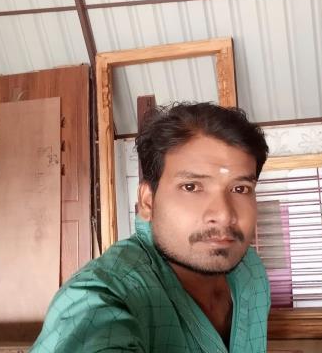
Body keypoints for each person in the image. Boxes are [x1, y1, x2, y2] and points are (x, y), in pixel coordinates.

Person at [31, 102, 270, 352]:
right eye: (191, 187)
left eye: (240, 188)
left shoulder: (250, 270)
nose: (224, 214)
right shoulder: (102, 295)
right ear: (147, 202)